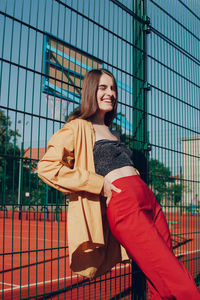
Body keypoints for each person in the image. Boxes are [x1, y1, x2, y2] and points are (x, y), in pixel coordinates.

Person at [37, 69, 200, 299]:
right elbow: (46, 167)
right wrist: (98, 184)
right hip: (124, 205)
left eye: (112, 88)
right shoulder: (78, 127)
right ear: (90, 91)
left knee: (160, 279)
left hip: (149, 202)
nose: (110, 93)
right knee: (175, 276)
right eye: (103, 88)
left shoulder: (113, 132)